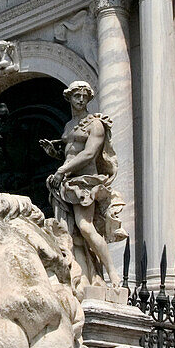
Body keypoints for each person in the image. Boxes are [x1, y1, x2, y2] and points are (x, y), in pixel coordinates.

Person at [40, 80, 126, 288]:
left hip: (85, 183)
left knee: (85, 228)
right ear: (69, 97)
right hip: (66, 182)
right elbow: (72, 152)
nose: (80, 100)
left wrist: (62, 170)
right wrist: (56, 153)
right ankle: (79, 274)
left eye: (84, 97)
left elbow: (89, 154)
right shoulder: (69, 126)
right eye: (77, 96)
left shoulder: (95, 124)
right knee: (67, 231)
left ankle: (113, 274)